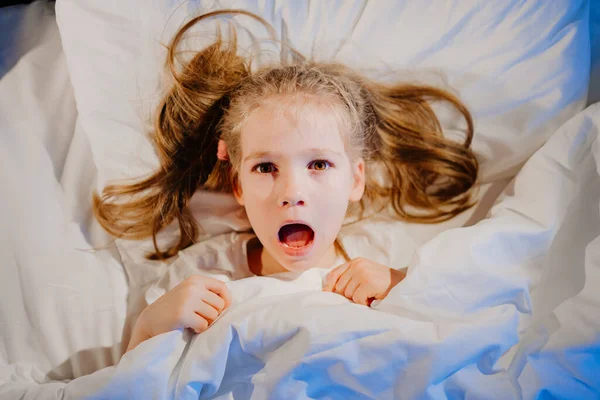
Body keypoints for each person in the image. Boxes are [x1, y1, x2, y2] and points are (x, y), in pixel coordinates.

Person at [92, 10, 479, 352]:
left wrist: (399, 284)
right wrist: (150, 326)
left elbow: (446, 333)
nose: (292, 193)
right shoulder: (202, 273)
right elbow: (135, 381)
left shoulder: (383, 254)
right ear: (238, 186)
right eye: (265, 168)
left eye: (319, 165)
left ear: (355, 180)